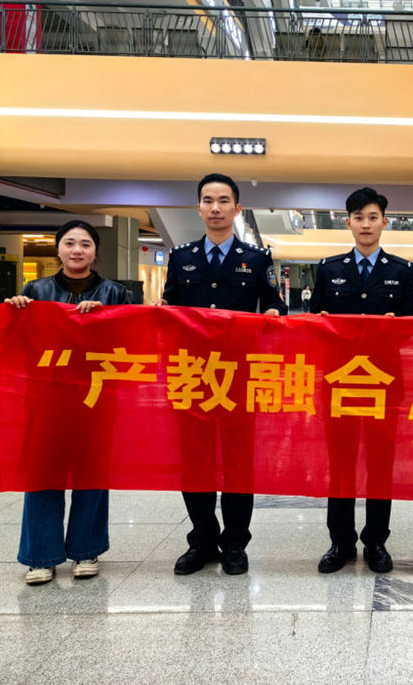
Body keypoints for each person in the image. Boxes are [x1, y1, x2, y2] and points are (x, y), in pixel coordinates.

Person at [158, 173, 287, 576]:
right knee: (194, 461)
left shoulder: (257, 258)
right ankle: (201, 540)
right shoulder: (181, 257)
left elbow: (275, 304)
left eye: (224, 200)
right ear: (198, 207)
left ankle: (234, 544)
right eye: (208, 200)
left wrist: (273, 313)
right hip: (192, 376)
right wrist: (162, 311)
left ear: (237, 208)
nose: (216, 208)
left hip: (239, 377)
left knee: (237, 462)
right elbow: (171, 305)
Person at [6, 219, 132, 585]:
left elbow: (131, 344)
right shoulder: (35, 290)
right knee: (42, 473)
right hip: (47, 397)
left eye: (85, 244)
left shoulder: (115, 293)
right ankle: (40, 556)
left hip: (96, 396)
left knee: (91, 475)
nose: (77, 250)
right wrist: (15, 312)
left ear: (96, 251)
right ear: (58, 249)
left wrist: (104, 318)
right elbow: (19, 345)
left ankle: (86, 550)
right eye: (70, 243)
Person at [311, 187, 413, 574]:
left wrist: (395, 328)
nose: (366, 225)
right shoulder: (329, 269)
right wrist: (323, 324)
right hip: (339, 383)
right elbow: (314, 323)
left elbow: (411, 327)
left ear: (384, 222)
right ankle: (340, 541)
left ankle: (376, 541)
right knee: (341, 464)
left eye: (373, 217)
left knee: (379, 465)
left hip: (382, 384)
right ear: (348, 223)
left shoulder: (401, 271)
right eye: (359, 218)